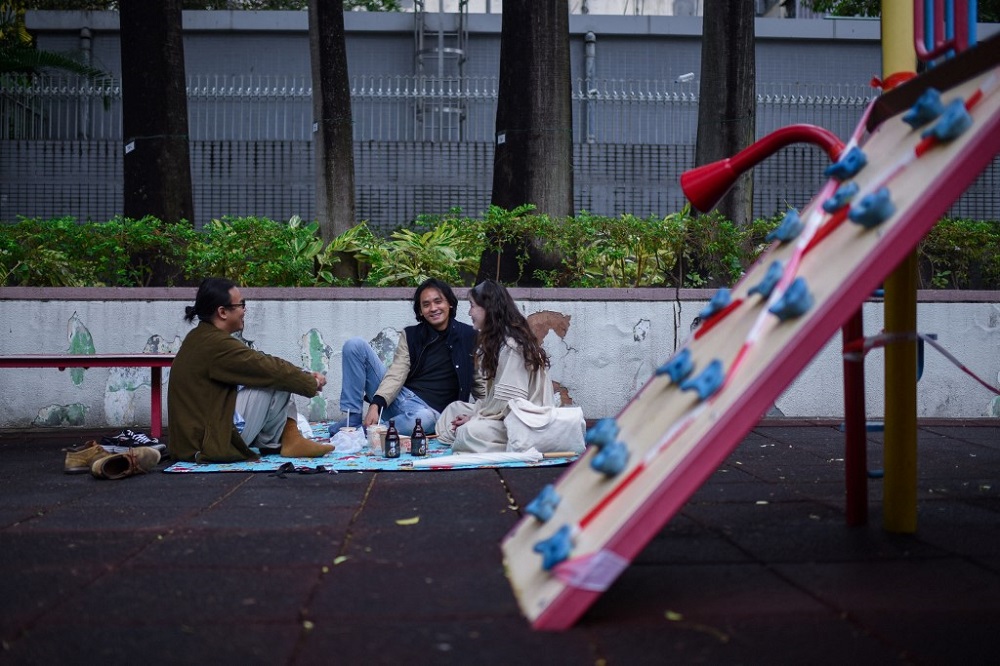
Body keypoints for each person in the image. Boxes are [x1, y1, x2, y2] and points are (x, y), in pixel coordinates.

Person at [168, 277, 334, 463]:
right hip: (207, 444)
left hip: (199, 438)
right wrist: (309, 382)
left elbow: (258, 363)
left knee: (279, 376)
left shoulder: (204, 337)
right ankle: (288, 440)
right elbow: (264, 367)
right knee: (276, 379)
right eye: (241, 304)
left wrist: (303, 376)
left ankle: (288, 439)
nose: (244, 310)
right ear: (222, 312)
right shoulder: (214, 344)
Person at [332, 278, 484, 437]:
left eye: (438, 302)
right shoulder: (411, 335)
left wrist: (483, 415)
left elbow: (480, 385)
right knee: (355, 345)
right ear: (420, 311)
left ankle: (365, 432)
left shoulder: (470, 337)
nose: (433, 308)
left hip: (430, 414)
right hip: (399, 398)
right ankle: (353, 420)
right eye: (426, 305)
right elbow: (396, 373)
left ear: (450, 303)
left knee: (424, 420)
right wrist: (376, 404)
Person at [436, 280, 553, 453]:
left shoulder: (512, 347)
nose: (469, 312)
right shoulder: (499, 342)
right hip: (504, 415)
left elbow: (511, 404)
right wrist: (477, 413)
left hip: (527, 423)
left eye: (472, 306)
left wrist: (476, 418)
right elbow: (496, 399)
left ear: (488, 309)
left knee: (469, 432)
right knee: (453, 410)